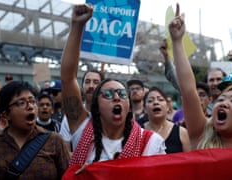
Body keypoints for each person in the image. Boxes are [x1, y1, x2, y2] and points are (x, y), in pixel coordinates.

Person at [60, 4, 165, 168]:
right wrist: (77, 26)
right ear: (96, 107)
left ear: (129, 107)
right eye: (108, 95)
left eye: (122, 95)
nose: (116, 97)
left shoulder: (151, 143)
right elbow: (68, 78)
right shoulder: (81, 130)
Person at [170, 3, 232, 149]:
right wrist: (177, 41)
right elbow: (189, 92)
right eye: (221, 99)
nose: (223, 103)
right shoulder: (201, 136)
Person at [0, 81, 69, 179]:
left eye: (33, 101)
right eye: (21, 103)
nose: (30, 107)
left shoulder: (55, 141)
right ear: (6, 114)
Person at [143, 87, 190, 153]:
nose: (156, 102)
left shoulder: (182, 133)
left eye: (160, 99)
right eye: (150, 101)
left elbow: (189, 160)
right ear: (145, 109)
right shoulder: (137, 132)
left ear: (167, 107)